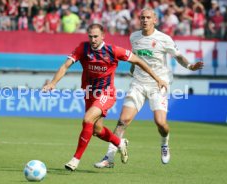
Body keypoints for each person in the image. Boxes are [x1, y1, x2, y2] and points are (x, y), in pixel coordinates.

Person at [42, 23, 167, 171]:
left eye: (96, 36)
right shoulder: (83, 48)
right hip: (89, 93)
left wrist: (157, 78)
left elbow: (139, 61)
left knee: (87, 119)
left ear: (103, 36)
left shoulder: (113, 50)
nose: (93, 39)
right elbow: (65, 66)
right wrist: (53, 83)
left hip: (106, 93)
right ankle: (120, 143)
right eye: (90, 36)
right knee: (97, 129)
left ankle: (75, 159)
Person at [94, 8, 204, 168]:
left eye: (148, 17)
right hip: (138, 83)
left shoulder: (164, 39)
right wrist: (133, 68)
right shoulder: (134, 37)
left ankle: (165, 143)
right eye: (142, 17)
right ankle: (109, 158)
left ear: (155, 20)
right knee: (123, 120)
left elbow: (178, 56)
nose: (144, 20)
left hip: (158, 84)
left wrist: (190, 66)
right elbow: (136, 56)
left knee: (160, 123)